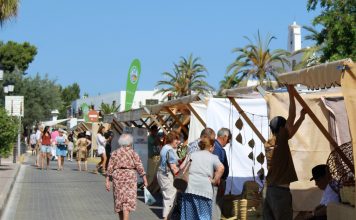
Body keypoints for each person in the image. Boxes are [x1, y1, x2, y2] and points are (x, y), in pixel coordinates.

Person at [263, 85, 307, 220]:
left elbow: (291, 132)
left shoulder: (270, 142)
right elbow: (291, 116)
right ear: (281, 129)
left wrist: (302, 117)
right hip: (280, 193)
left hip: (269, 190)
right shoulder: (280, 141)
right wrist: (291, 92)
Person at [181, 135, 225, 220]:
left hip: (190, 188)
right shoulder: (213, 157)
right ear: (211, 147)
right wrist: (214, 180)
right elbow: (221, 168)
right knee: (204, 217)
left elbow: (182, 167)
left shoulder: (192, 155)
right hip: (205, 190)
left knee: (189, 217)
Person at [106, 133, 148, 220]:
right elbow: (139, 166)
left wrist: (107, 181)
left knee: (120, 201)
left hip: (118, 177)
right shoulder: (133, 153)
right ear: (130, 142)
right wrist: (144, 179)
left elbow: (110, 167)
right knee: (127, 203)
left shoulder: (115, 153)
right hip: (130, 177)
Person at [157, 130, 180, 220]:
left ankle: (166, 216)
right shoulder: (170, 150)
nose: (178, 141)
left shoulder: (165, 147)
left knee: (167, 196)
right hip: (166, 175)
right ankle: (165, 217)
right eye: (176, 139)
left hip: (161, 174)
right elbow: (173, 167)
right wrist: (179, 176)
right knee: (170, 196)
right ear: (172, 140)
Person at [212, 127, 231, 220]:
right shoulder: (218, 149)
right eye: (229, 139)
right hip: (217, 182)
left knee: (216, 206)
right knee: (215, 207)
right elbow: (215, 165)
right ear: (224, 137)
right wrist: (217, 179)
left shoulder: (217, 147)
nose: (228, 142)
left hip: (218, 181)